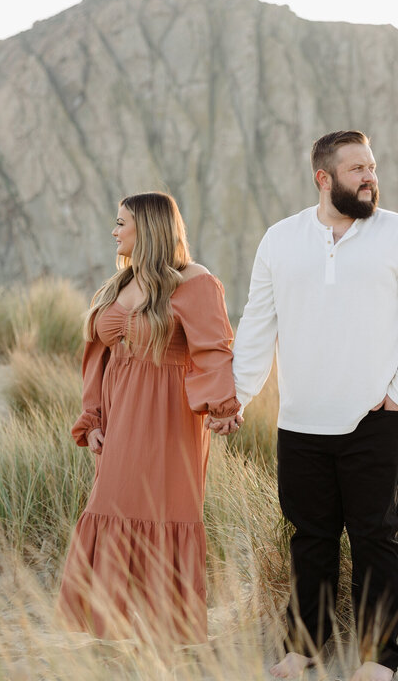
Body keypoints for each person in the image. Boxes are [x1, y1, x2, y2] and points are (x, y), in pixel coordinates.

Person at [233, 131, 398, 681]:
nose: (370, 176)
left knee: (376, 539)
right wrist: (237, 396)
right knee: (310, 541)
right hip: (299, 422)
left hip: (373, 420)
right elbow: (257, 325)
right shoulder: (280, 240)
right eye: (356, 169)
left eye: (372, 166)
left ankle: (377, 659)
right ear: (323, 178)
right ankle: (303, 647)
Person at [58, 191, 243, 645]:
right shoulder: (118, 285)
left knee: (165, 514)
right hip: (119, 421)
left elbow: (213, 350)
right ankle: (113, 630)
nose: (114, 230)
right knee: (110, 509)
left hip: (169, 421)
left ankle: (167, 636)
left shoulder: (195, 282)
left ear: (150, 229)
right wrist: (93, 417)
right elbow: (97, 357)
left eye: (122, 222)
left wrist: (222, 407)